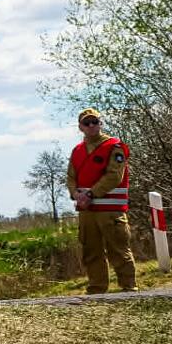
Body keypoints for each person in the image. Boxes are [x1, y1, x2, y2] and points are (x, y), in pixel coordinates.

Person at [66, 108, 136, 293]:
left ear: (100, 123)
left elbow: (114, 176)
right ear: (80, 127)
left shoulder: (114, 146)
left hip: (110, 210)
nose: (91, 126)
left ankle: (129, 288)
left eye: (94, 122)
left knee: (119, 250)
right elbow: (70, 177)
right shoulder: (77, 151)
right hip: (87, 211)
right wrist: (76, 195)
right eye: (86, 123)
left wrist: (90, 194)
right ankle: (97, 289)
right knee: (91, 251)